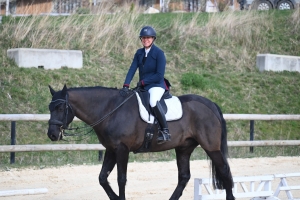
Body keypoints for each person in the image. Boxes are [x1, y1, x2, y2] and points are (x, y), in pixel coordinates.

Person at [120, 26, 170, 144]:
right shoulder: (139, 53)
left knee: (153, 101)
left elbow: (159, 75)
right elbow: (132, 69)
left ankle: (165, 131)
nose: (145, 40)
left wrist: (143, 82)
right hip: (143, 86)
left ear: (153, 39)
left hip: (156, 85)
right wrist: (126, 84)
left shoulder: (159, 53)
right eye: (143, 38)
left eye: (148, 38)